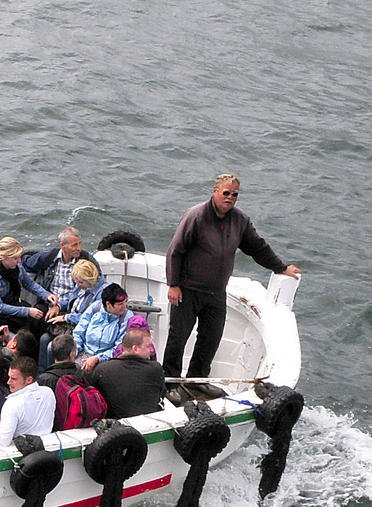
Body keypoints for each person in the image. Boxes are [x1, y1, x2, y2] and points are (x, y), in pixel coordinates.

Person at [164, 173, 302, 378]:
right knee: (178, 337)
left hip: (216, 293)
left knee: (210, 340)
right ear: (215, 191)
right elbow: (175, 250)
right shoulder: (196, 216)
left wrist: (280, 268)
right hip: (187, 289)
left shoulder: (240, 220)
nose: (229, 198)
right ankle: (169, 381)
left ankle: (196, 382)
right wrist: (173, 284)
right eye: (226, 193)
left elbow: (257, 247)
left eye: (234, 194)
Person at [0, 237, 54, 347]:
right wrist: (27, 311)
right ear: (4, 258)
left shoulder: (18, 268)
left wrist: (47, 295)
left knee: (39, 323)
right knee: (24, 339)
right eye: (15, 258)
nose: (19, 261)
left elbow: (29, 284)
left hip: (12, 304)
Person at [83, 324, 166, 419]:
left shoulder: (102, 370)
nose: (151, 350)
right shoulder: (155, 368)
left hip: (115, 428)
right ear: (135, 348)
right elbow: (161, 397)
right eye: (148, 346)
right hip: (148, 425)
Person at [23, 227, 99, 316]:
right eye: (74, 245)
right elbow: (28, 263)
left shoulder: (87, 259)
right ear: (62, 245)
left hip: (73, 305)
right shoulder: (50, 256)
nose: (79, 248)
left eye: (80, 243)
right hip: (49, 301)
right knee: (36, 320)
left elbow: (97, 279)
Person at [0, 356, 56, 448]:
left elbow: (4, 440)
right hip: (49, 448)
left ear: (29, 380)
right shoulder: (48, 392)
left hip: (24, 454)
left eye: (14, 379)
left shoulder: (12, 403)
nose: (8, 382)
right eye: (9, 377)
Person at [72, 283, 132, 371]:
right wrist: (74, 351)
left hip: (107, 359)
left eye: (125, 302)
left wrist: (97, 358)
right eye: (120, 304)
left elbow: (120, 347)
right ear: (108, 304)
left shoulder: (126, 317)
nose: (124, 306)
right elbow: (79, 332)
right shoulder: (95, 308)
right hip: (85, 352)